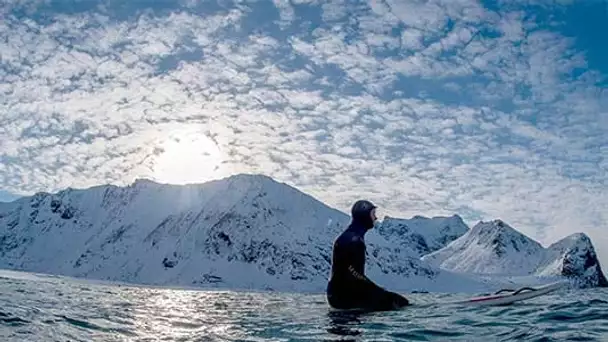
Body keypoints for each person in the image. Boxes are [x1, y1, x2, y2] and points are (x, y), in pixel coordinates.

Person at [326, 200, 410, 311]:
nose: (375, 218)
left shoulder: (351, 236)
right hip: (345, 296)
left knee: (392, 300)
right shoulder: (354, 240)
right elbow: (353, 272)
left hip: (339, 294)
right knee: (399, 303)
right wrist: (379, 290)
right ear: (364, 216)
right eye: (373, 214)